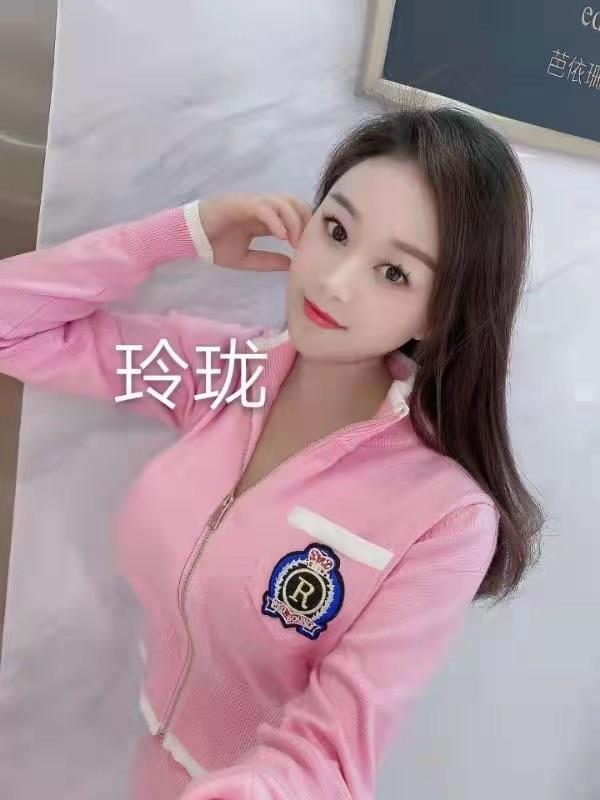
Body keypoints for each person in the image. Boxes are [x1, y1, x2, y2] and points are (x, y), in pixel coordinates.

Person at [0, 106, 544, 800]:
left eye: (393, 273)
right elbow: (11, 329)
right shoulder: (220, 374)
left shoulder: (443, 519)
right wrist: (178, 234)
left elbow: (329, 757)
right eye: (337, 230)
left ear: (439, 315)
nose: (336, 281)